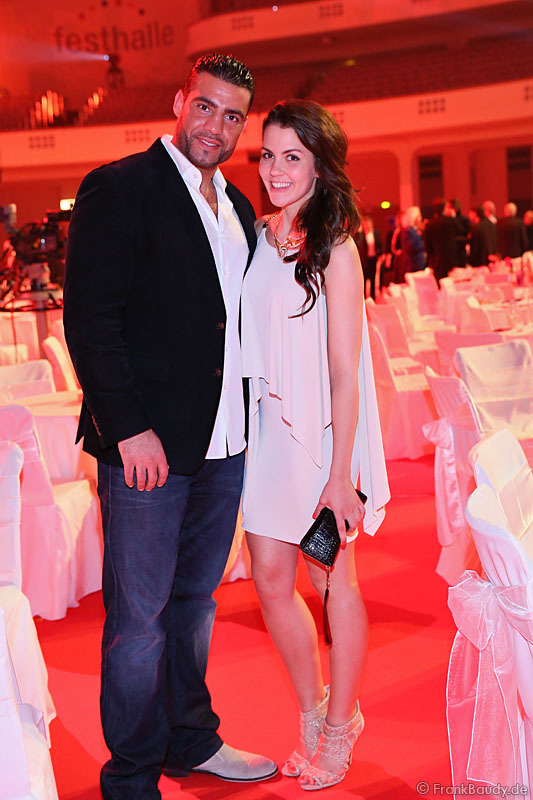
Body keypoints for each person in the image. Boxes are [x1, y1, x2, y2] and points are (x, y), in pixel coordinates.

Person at [63, 53, 277, 800]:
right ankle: (130, 776)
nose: (215, 125)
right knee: (139, 620)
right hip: (146, 450)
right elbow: (91, 320)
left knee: (194, 606)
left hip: (223, 444)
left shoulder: (239, 208)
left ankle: (190, 739)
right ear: (180, 102)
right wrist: (128, 429)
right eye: (205, 106)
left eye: (231, 115)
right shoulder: (121, 187)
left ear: (242, 127)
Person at [241, 100, 390, 791]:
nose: (275, 170)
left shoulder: (336, 248)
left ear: (320, 166)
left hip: (323, 442)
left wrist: (339, 476)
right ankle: (312, 713)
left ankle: (339, 727)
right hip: (269, 436)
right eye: (268, 155)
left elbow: (343, 372)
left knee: (333, 584)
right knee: (271, 583)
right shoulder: (259, 236)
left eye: (292, 157)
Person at [424, 197, 458, 283]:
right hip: (449, 260)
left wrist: (430, 260)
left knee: (438, 284)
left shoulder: (429, 224)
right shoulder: (450, 221)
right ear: (444, 208)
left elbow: (427, 245)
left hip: (436, 260)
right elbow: (460, 232)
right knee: (450, 284)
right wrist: (454, 216)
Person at [355, 215, 382, 300]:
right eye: (364, 224)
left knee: (373, 279)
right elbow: (358, 244)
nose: (366, 225)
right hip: (364, 260)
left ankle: (373, 298)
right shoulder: (360, 235)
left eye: (367, 223)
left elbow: (380, 245)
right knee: (364, 279)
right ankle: (364, 298)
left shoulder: (375, 233)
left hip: (373, 259)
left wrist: (379, 253)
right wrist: (360, 232)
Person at [399, 205, 425, 273]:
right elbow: (412, 247)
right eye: (419, 216)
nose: (420, 218)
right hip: (413, 265)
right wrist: (426, 243)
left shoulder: (415, 230)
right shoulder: (408, 231)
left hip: (417, 264)